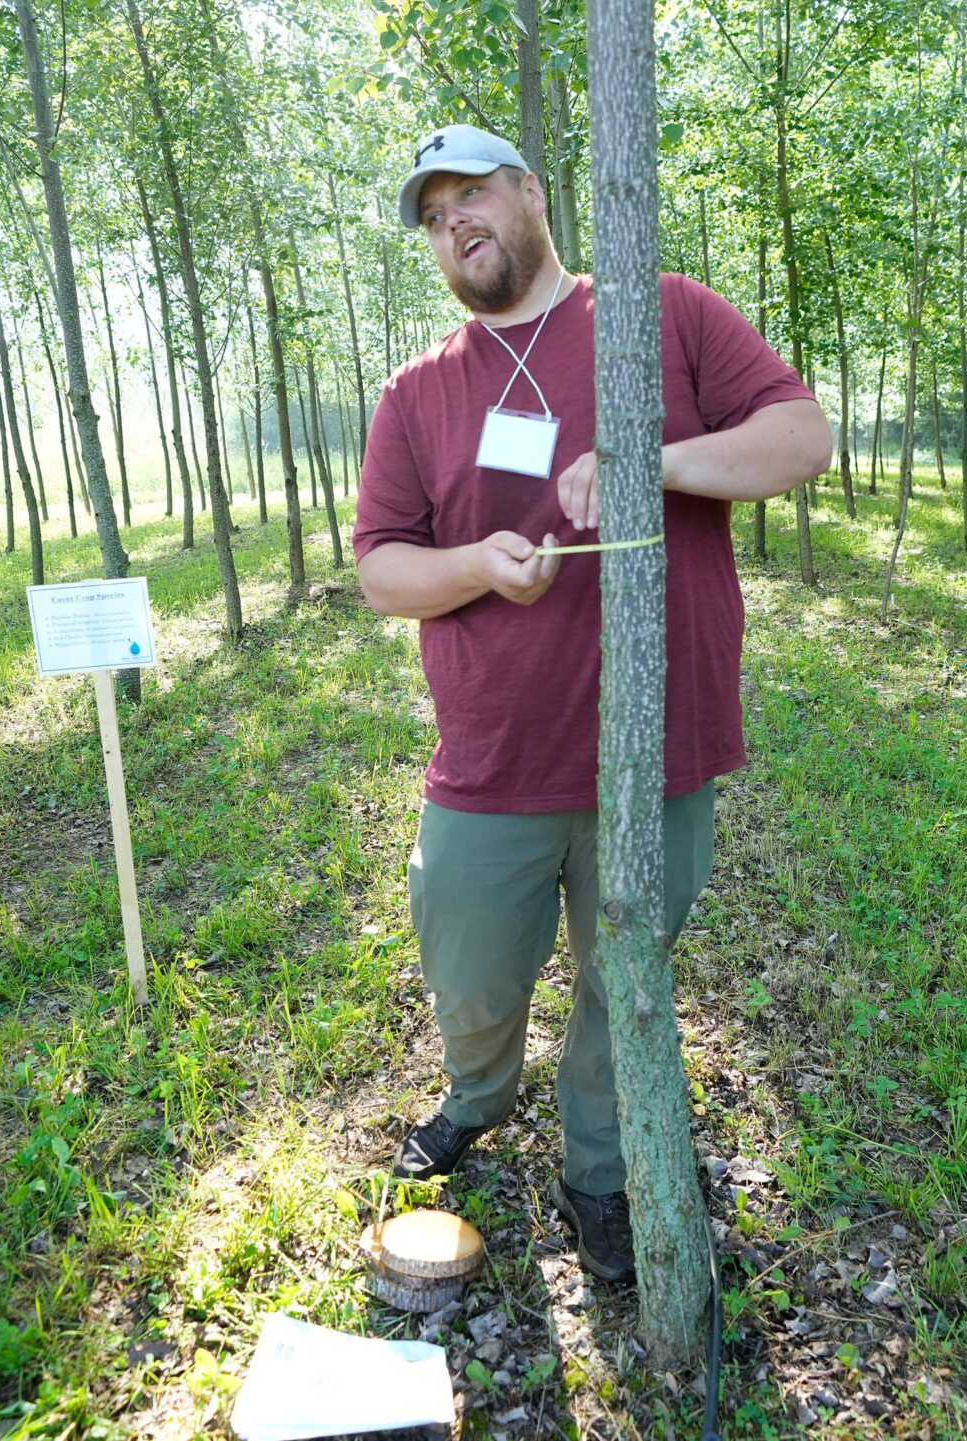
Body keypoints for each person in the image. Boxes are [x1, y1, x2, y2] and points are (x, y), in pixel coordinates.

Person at [354, 124, 829, 1283]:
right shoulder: (417, 394)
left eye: (472, 194)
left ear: (530, 193)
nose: (455, 223)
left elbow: (800, 438)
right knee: (468, 973)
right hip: (492, 759)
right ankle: (478, 1092)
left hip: (652, 754)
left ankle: (599, 1172)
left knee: (625, 987)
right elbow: (380, 570)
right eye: (433, 214)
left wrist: (649, 459)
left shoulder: (664, 314)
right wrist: (474, 565)